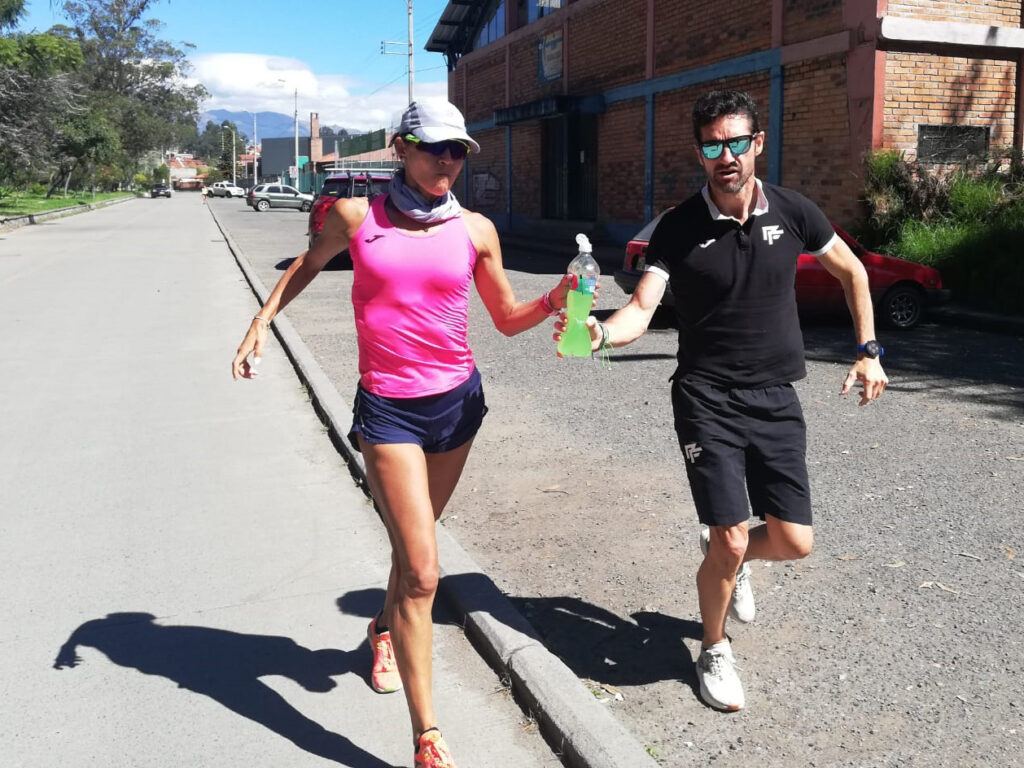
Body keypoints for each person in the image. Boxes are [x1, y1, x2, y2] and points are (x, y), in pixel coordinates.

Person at [232, 100, 574, 768]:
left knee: (412, 551)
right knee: (422, 571)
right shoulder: (356, 217)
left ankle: (383, 628)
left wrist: (554, 299)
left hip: (457, 407)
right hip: (389, 411)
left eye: (458, 151)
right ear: (401, 146)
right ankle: (428, 737)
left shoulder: (475, 230)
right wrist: (260, 323)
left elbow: (506, 318)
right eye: (435, 148)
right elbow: (306, 264)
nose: (447, 160)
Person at [555, 89, 888, 712]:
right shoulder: (678, 228)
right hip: (706, 398)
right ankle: (713, 646)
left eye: (736, 142)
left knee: (794, 541)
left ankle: (727, 559)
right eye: (713, 146)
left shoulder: (794, 211)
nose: (726, 156)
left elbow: (854, 272)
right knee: (731, 538)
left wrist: (869, 350)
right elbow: (640, 310)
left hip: (776, 396)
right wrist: (598, 333)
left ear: (757, 143)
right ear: (700, 152)